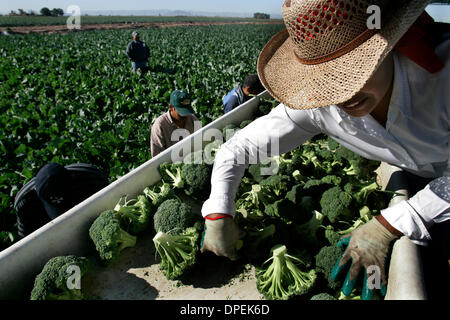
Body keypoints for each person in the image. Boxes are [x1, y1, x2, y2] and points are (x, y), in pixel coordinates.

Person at [200, 0, 449, 300]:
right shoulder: (318, 106)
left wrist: (387, 225)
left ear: (387, 44)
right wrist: (218, 212)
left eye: (356, 71)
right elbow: (235, 150)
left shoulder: (443, 76)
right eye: (328, 80)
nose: (346, 94)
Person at [150, 90, 202, 157]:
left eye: (187, 112)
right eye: (181, 113)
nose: (185, 116)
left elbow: (202, 141)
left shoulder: (192, 119)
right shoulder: (160, 125)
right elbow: (157, 156)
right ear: (171, 107)